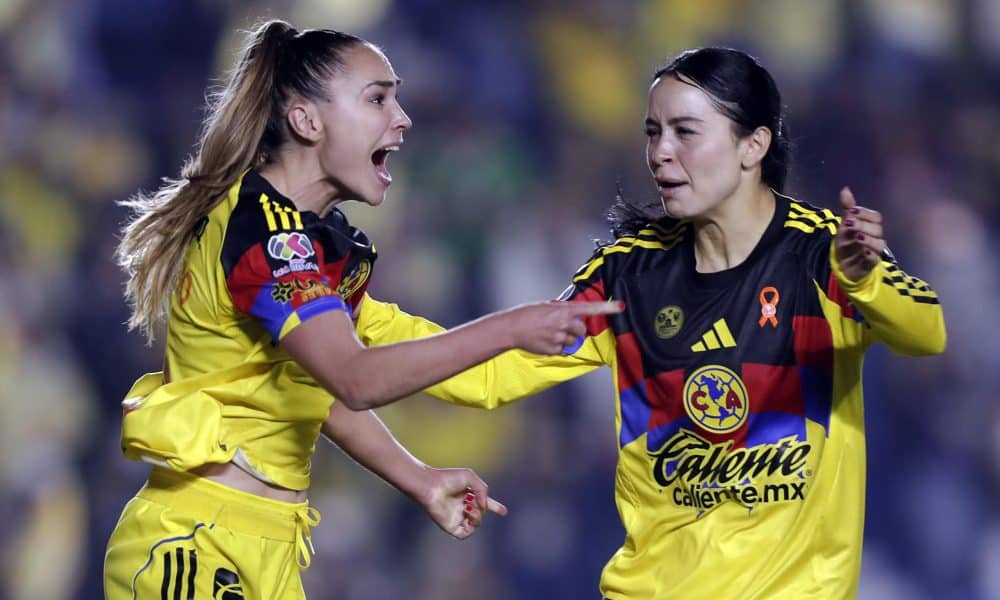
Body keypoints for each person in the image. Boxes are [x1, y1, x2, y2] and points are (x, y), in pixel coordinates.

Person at [356, 47, 947, 599]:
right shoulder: (627, 275)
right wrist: (353, 313)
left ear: (753, 145)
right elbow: (488, 378)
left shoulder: (825, 254)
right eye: (653, 132)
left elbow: (925, 333)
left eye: (686, 133)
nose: (661, 152)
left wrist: (865, 278)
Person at [104, 19, 622, 600]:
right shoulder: (265, 234)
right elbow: (355, 379)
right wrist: (511, 323)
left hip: (268, 550)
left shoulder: (320, 249)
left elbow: (458, 377)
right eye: (377, 98)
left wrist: (615, 327)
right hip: (198, 545)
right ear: (306, 120)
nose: (401, 120)